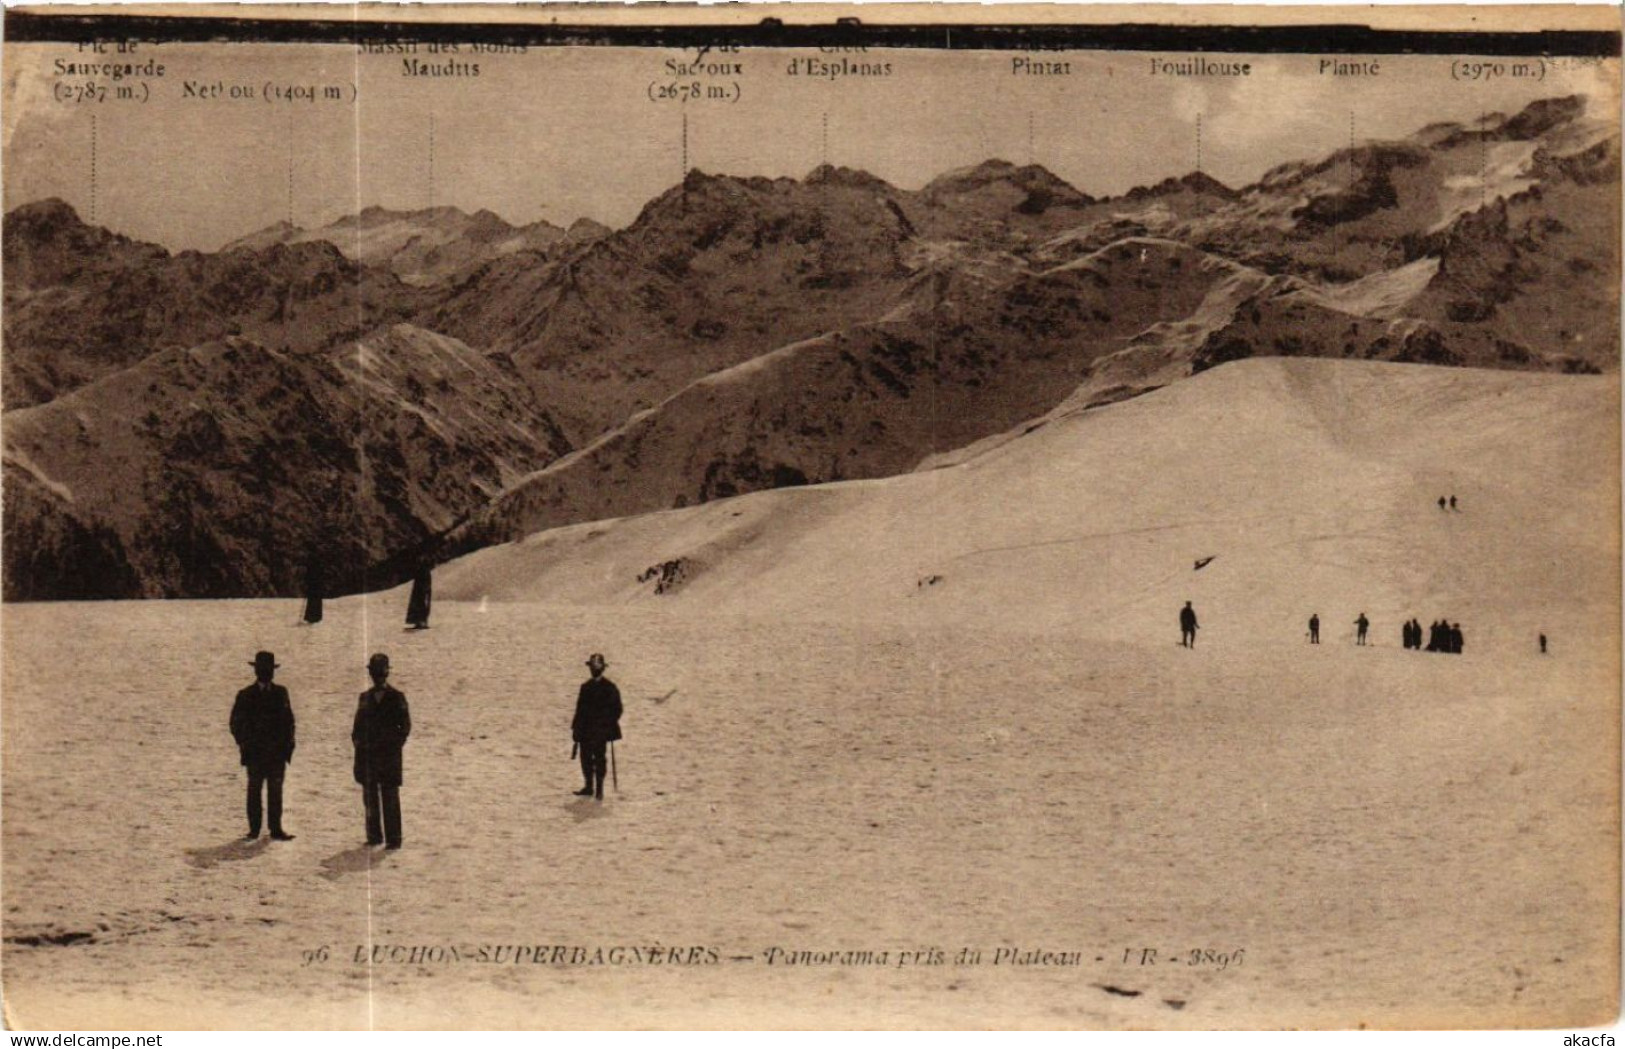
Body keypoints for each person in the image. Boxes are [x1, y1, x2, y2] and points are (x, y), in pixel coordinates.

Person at [230, 651, 296, 841]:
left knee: (276, 792)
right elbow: (235, 723)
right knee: (254, 791)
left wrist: (287, 747)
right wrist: (245, 744)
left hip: (276, 753)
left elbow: (289, 722)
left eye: (269, 670)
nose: (266, 673)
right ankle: (254, 829)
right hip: (255, 754)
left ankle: (276, 829)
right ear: (256, 671)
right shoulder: (245, 695)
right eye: (263, 669)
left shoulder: (281, 693)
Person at [353, 653, 411, 849]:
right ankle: (374, 836)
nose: (377, 677)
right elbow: (357, 728)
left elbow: (405, 727)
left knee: (390, 797)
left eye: (380, 673)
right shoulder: (365, 698)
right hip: (369, 756)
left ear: (386, 674)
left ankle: (394, 838)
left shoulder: (397, 697)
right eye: (374, 673)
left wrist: (393, 746)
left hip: (389, 756)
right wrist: (360, 747)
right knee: (370, 798)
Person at [572, 653, 623, 800]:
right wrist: (576, 729)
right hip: (586, 730)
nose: (594, 670)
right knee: (585, 758)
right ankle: (589, 786)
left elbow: (617, 709)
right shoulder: (585, 687)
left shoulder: (610, 688)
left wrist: (608, 723)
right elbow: (580, 710)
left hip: (601, 731)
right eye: (592, 668)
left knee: (600, 758)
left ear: (602, 669)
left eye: (596, 668)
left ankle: (599, 788)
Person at [405, 561, 432, 630]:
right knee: (421, 603)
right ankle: (420, 621)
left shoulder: (423, 571)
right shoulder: (423, 571)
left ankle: (420, 621)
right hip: (422, 589)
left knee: (421, 603)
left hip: (421, 589)